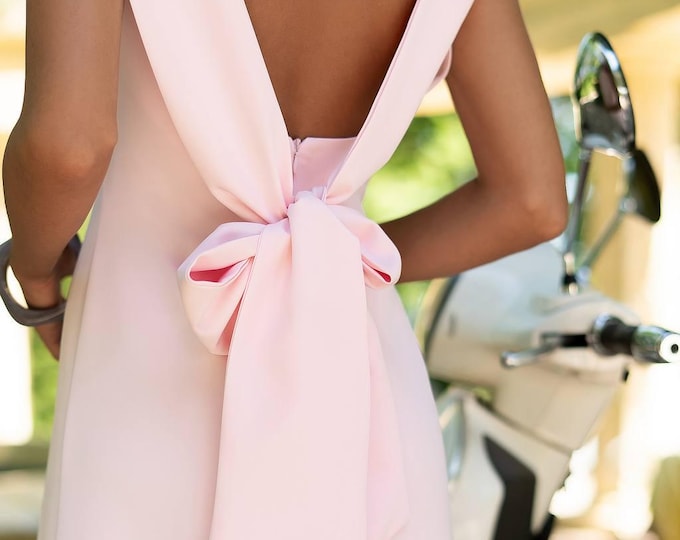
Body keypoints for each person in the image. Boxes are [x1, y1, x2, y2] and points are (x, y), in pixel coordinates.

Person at [2, 0, 567, 538]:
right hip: (359, 393)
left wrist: (35, 268)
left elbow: (68, 148)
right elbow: (530, 201)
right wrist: (329, 259)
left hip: (145, 371)